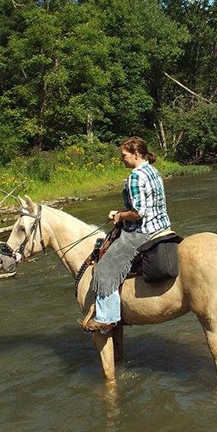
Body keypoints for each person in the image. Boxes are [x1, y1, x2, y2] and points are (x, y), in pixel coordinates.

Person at [82, 136, 171, 333]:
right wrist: (120, 214)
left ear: (136, 154)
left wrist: (120, 215)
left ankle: (107, 318)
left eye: (124, 155)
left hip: (143, 231)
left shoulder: (135, 176)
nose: (122, 159)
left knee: (104, 269)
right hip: (162, 226)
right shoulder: (153, 171)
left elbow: (139, 213)